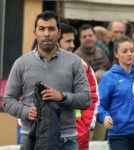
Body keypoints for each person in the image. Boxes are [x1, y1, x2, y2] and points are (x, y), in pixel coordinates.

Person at [3, 11, 91, 150]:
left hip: (66, 139)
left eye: (51, 29)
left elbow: (86, 99)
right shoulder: (21, 63)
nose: (46, 34)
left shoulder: (75, 62)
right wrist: (26, 112)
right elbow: (7, 100)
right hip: (31, 138)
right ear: (35, 32)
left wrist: (61, 97)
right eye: (42, 29)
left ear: (59, 32)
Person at [97, 35, 134, 150]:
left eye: (132, 50)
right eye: (125, 51)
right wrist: (105, 117)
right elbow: (99, 106)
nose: (129, 54)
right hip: (119, 135)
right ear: (116, 54)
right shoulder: (108, 77)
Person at [58, 23, 99, 150]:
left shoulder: (82, 66)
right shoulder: (35, 63)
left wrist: (87, 125)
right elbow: (25, 96)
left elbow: (93, 95)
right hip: (46, 131)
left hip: (77, 132)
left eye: (73, 41)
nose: (73, 45)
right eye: (68, 41)